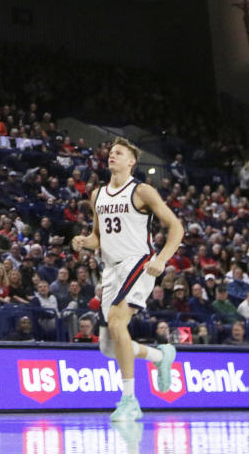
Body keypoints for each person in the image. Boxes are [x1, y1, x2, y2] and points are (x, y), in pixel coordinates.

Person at [71, 137, 183, 422]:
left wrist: (161, 259)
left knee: (119, 323)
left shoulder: (142, 191)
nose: (112, 156)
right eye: (110, 152)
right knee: (109, 347)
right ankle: (161, 357)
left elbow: (176, 227)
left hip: (139, 263)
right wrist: (84, 241)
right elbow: (98, 236)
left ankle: (130, 400)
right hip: (111, 270)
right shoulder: (97, 195)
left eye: (118, 153)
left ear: (131, 161)